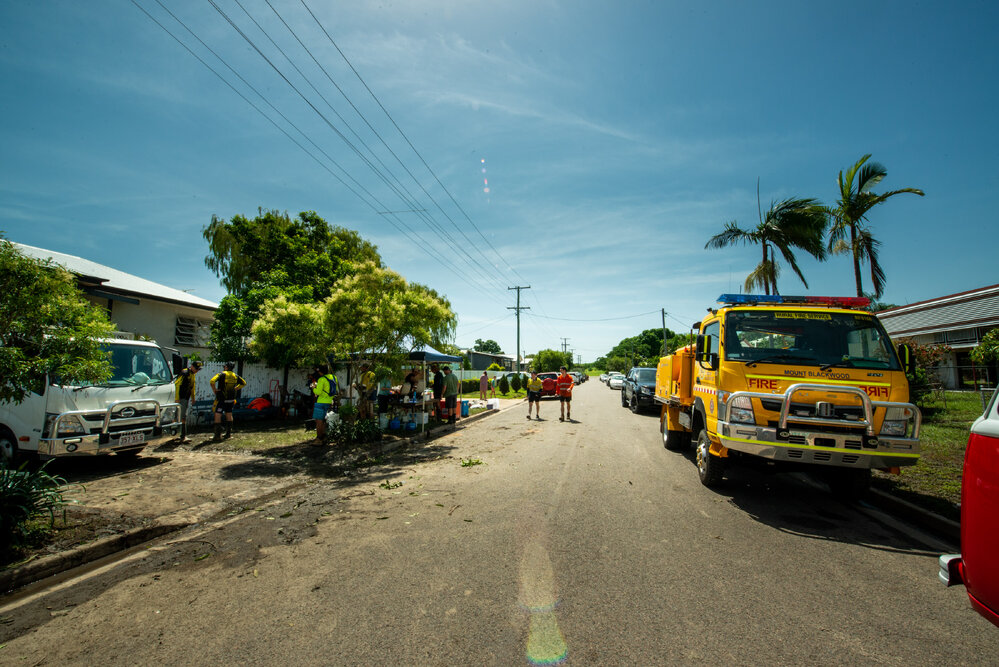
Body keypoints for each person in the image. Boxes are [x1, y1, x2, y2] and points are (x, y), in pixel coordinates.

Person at [210, 362, 246, 441]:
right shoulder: (235, 375)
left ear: (226, 367)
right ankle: (228, 434)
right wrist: (236, 388)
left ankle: (217, 435)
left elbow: (212, 381)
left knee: (217, 414)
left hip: (222, 399)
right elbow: (244, 383)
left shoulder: (222, 374)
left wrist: (215, 390)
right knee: (229, 414)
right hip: (231, 399)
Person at [173, 360, 202, 443]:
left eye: (198, 369)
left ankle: (180, 435)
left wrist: (193, 398)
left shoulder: (192, 374)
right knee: (180, 417)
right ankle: (178, 435)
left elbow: (192, 387)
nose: (197, 370)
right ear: (191, 366)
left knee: (181, 417)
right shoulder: (185, 372)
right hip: (181, 397)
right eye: (196, 368)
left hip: (186, 398)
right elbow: (177, 384)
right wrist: (177, 397)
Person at [311, 364, 339, 444]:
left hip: (321, 402)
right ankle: (324, 437)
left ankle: (318, 439)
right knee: (324, 420)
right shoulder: (334, 377)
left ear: (320, 371)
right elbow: (334, 389)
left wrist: (313, 388)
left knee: (319, 421)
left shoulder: (321, 379)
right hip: (329, 401)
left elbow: (318, 392)